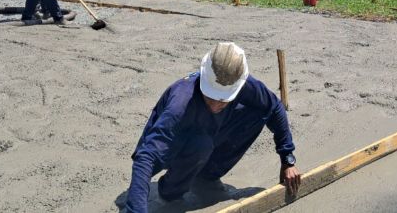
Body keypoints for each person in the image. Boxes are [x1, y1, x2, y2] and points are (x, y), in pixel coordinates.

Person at [125, 42, 300, 212]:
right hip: (177, 144)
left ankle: (207, 175)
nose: (216, 105)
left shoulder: (244, 85)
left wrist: (287, 159)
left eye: (223, 100)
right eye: (211, 97)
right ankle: (171, 189)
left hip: (209, 132)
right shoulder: (181, 103)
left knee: (258, 112)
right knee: (201, 144)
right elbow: (146, 157)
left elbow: (275, 107)